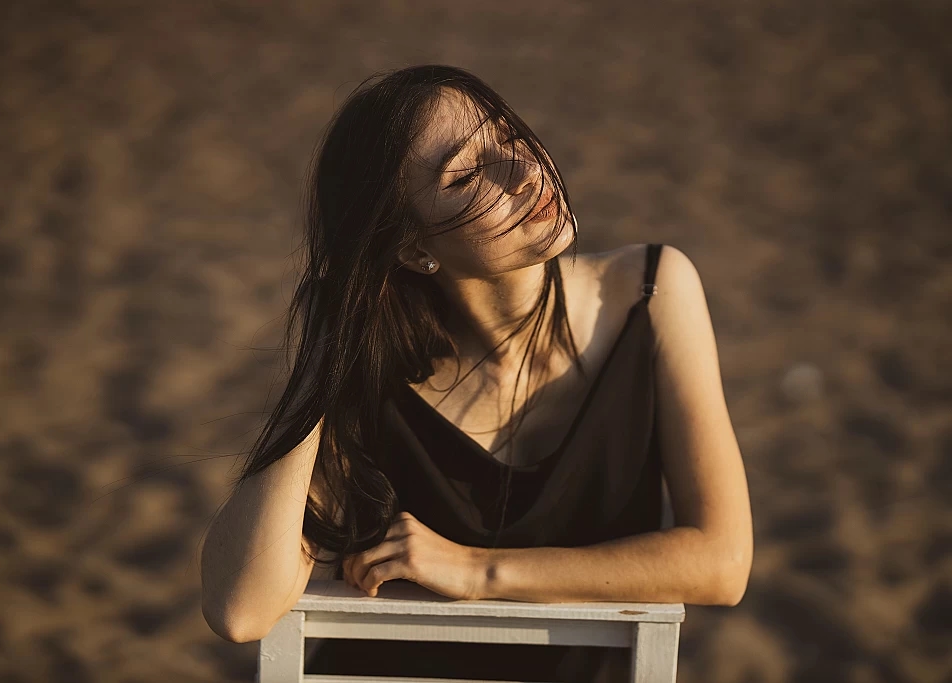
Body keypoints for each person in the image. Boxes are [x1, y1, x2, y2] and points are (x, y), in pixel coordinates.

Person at [200, 64, 753, 682]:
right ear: (413, 250)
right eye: (465, 175)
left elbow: (722, 563)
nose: (524, 171)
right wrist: (327, 344)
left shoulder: (653, 291)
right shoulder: (371, 370)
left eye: (507, 135)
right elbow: (240, 610)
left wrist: (478, 570)